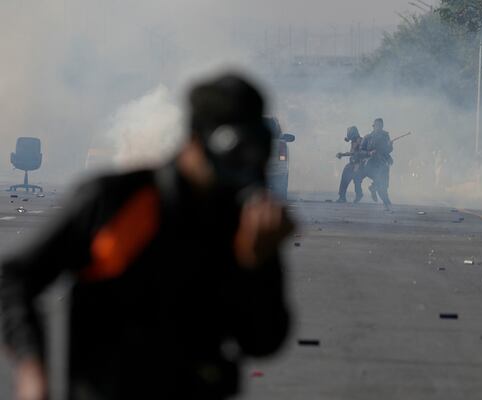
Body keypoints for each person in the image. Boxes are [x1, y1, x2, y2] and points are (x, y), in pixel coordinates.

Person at [1, 73, 293, 400]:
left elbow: (263, 341)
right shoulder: (117, 200)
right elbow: (13, 278)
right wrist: (32, 371)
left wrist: (257, 266)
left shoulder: (244, 223)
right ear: (195, 140)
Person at [360, 118, 393, 210]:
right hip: (369, 164)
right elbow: (360, 151)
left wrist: (390, 145)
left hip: (381, 163)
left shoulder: (385, 136)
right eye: (377, 125)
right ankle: (376, 189)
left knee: (384, 183)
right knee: (380, 180)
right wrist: (369, 153)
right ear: (374, 126)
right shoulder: (367, 137)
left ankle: (381, 195)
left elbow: (388, 150)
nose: (379, 127)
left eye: (381, 126)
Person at [335, 126, 364, 203]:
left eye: (350, 134)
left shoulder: (360, 140)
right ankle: (342, 196)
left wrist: (343, 154)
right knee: (346, 177)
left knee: (356, 179)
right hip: (353, 163)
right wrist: (342, 154)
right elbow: (352, 153)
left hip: (358, 163)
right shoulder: (354, 142)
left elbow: (360, 153)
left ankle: (358, 194)